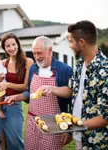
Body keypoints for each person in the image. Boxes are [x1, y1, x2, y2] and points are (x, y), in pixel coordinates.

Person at [40, 20, 108, 150]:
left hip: (97, 142)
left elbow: (105, 118)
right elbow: (71, 90)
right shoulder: (80, 65)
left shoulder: (105, 71)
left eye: (71, 41)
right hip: (79, 136)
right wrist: (52, 89)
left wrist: (76, 125)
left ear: (81, 42)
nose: (70, 45)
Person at [5, 36, 73, 150]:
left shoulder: (64, 70)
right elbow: (30, 93)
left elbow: (71, 99)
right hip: (32, 122)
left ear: (50, 50)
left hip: (53, 124)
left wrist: (68, 130)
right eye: (34, 53)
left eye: (39, 53)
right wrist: (17, 97)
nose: (37, 57)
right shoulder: (33, 69)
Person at [0, 32, 34, 150]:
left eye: (13, 44)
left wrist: (8, 84)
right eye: (7, 46)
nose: (11, 48)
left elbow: (26, 87)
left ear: (18, 44)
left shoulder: (28, 62)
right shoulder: (3, 63)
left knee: (15, 141)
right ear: (4, 48)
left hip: (14, 104)